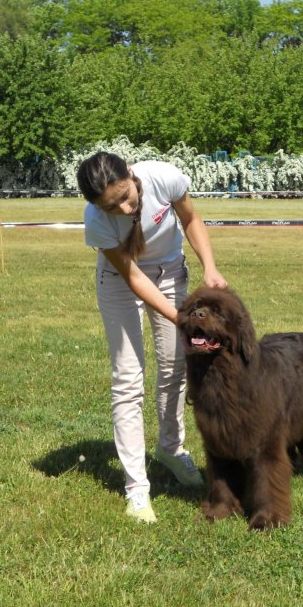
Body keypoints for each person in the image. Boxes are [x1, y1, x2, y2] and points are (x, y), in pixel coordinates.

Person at [77, 151, 227, 523]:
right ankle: (137, 489)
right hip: (120, 282)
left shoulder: (164, 177)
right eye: (113, 207)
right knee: (128, 379)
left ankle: (170, 450)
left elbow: (190, 218)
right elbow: (133, 278)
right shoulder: (96, 221)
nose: (126, 209)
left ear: (129, 172)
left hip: (171, 272)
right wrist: (179, 317)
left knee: (176, 368)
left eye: (126, 196)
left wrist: (210, 268)